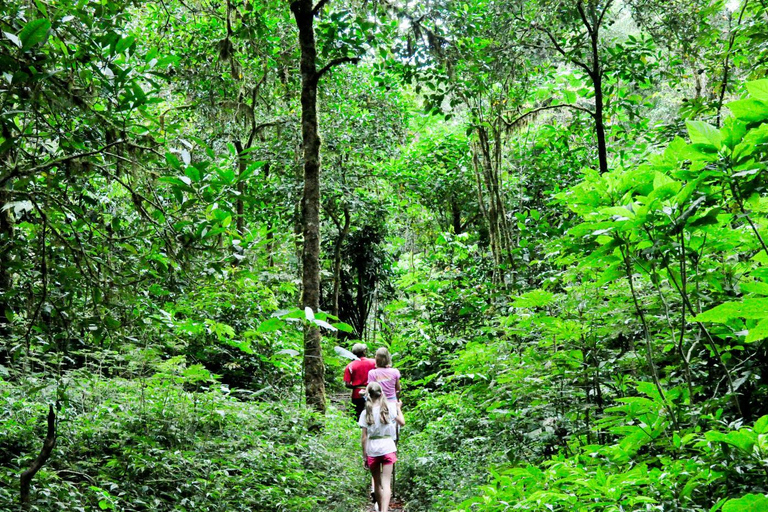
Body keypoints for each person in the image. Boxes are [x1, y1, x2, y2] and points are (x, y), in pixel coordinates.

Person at [359, 382, 405, 512]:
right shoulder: (389, 408)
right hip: (388, 447)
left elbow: (364, 437)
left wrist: (364, 456)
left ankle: (380, 509)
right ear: (381, 393)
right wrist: (398, 408)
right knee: (386, 483)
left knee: (377, 483)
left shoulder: (365, 413)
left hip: (373, 449)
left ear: (368, 394)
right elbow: (402, 422)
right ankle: (384, 510)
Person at [343, 343, 376, 419]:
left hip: (357, 394)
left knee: (357, 415)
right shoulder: (374, 362)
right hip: (372, 392)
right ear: (364, 352)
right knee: (373, 414)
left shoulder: (350, 365)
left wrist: (356, 386)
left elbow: (347, 384)